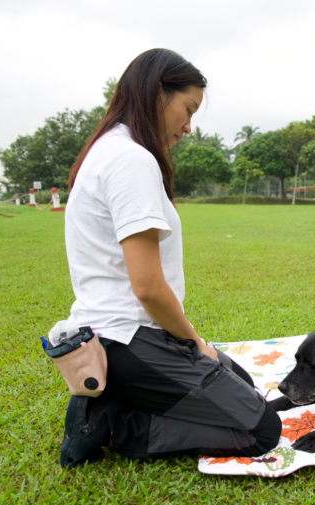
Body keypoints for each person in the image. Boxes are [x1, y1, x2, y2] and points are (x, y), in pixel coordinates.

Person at [59, 49, 281, 468]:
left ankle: (122, 394)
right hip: (126, 340)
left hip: (116, 335)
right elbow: (146, 286)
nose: (189, 126)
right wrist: (194, 342)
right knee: (260, 429)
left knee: (243, 382)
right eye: (188, 109)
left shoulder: (109, 149)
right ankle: (111, 421)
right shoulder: (130, 160)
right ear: (158, 92)